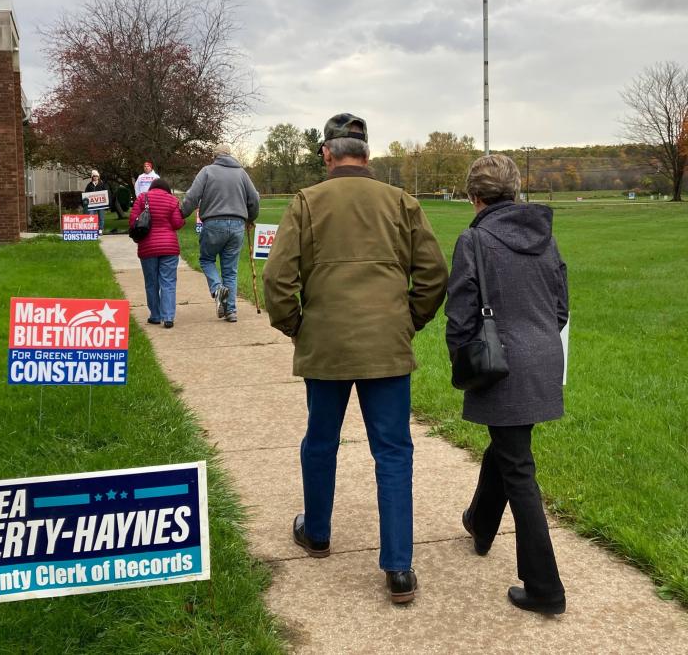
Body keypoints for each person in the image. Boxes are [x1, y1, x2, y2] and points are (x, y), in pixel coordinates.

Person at [263, 113, 448, 604]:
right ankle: (399, 568)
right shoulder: (401, 203)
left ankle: (318, 533)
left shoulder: (306, 202)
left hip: (326, 345)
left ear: (327, 153)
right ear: (367, 153)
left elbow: (278, 282)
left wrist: (298, 327)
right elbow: (433, 274)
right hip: (386, 346)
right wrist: (407, 320)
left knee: (320, 441)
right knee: (393, 452)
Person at [445, 154, 568, 615]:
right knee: (507, 445)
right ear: (514, 192)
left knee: (518, 467)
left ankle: (544, 588)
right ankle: (480, 522)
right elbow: (560, 308)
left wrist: (465, 361)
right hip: (542, 359)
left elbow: (459, 318)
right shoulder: (545, 236)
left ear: (473, 197)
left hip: (500, 363)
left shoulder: (473, 239)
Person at [181, 143, 259, 322]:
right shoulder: (241, 173)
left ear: (215, 156)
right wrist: (250, 218)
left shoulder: (207, 171)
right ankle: (230, 311)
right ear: (230, 155)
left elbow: (192, 196)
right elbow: (254, 198)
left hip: (214, 222)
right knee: (230, 270)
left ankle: (217, 289)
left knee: (206, 259)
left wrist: (182, 214)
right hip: (238, 224)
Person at [130, 178, 185, 329]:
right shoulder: (172, 200)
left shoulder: (142, 198)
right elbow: (177, 223)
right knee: (168, 282)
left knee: (151, 282)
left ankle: (155, 315)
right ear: (166, 189)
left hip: (147, 247)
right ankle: (168, 317)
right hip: (169, 247)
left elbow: (133, 221)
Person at [83, 170, 108, 234]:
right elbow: (86, 193)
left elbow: (105, 193)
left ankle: (100, 230)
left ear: (98, 177)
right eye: (94, 176)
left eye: (96, 176)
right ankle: (92, 230)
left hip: (101, 204)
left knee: (101, 217)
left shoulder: (102, 184)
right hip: (92, 205)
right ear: (92, 177)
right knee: (91, 217)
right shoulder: (89, 185)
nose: (95, 177)